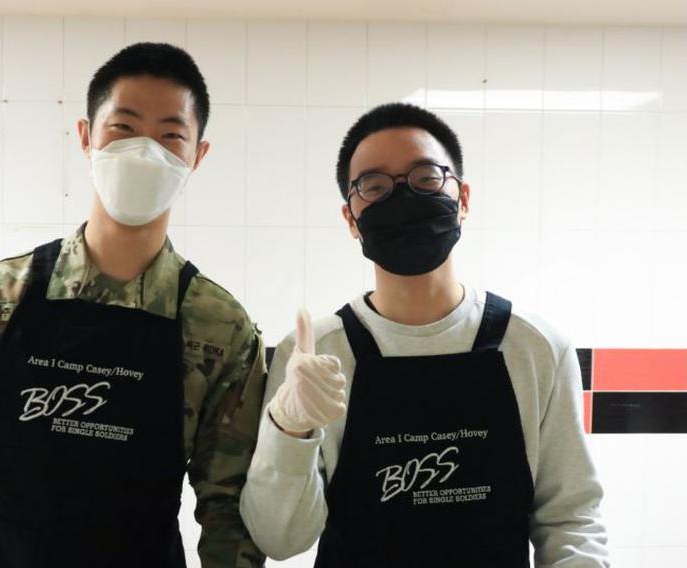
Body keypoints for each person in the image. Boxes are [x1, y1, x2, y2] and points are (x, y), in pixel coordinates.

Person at [0, 43, 267, 568]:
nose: (145, 151)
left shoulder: (219, 327)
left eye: (171, 135)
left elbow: (229, 511)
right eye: (123, 128)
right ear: (86, 137)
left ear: (197, 154)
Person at [240, 102, 610, 567]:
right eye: (375, 187)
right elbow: (280, 538)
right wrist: (288, 429)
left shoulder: (535, 347)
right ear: (351, 219)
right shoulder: (316, 355)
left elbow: (570, 519)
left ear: (463, 198)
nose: (403, 197)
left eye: (426, 178)